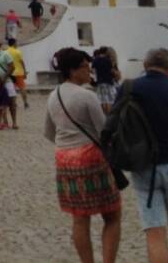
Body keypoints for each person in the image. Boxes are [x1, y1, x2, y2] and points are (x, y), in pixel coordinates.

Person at [44, 47, 121, 263]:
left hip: (64, 159)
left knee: (79, 219)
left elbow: (49, 132)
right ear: (72, 71)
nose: (89, 71)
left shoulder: (53, 96)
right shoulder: (86, 96)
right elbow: (103, 131)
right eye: (85, 67)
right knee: (112, 215)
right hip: (90, 157)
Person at [107, 48, 168, 263]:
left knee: (154, 233)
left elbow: (111, 126)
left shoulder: (129, 88)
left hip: (143, 165)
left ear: (145, 66)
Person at [0, 39, 18, 129]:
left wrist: (4, 77)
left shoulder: (5, 54)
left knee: (12, 102)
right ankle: (3, 122)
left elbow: (12, 66)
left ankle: (14, 122)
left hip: (7, 80)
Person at [92, 47, 118, 113]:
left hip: (100, 82)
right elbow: (111, 70)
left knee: (102, 100)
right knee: (109, 100)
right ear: (105, 52)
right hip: (108, 81)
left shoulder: (95, 60)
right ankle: (110, 115)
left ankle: (104, 115)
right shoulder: (108, 60)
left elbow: (93, 70)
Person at [6, 38, 29, 110]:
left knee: (12, 89)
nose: (17, 44)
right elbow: (22, 62)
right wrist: (25, 71)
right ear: (13, 43)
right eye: (16, 43)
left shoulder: (5, 52)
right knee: (22, 88)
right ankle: (25, 103)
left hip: (10, 73)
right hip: (19, 73)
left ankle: (14, 103)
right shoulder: (17, 52)